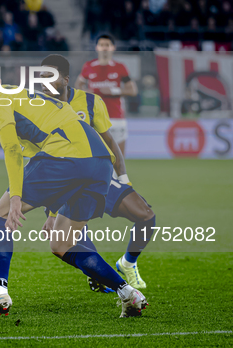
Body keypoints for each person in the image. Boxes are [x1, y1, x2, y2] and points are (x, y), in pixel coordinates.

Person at [0, 56, 147, 321]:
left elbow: (13, 150)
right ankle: (128, 294)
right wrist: (53, 209)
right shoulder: (22, 94)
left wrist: (16, 199)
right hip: (99, 161)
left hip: (66, 155)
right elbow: (40, 148)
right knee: (63, 243)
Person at [40, 55, 155, 291]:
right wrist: (51, 210)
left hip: (99, 175)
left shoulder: (91, 102)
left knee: (146, 216)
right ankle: (99, 275)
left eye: (50, 77)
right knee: (68, 242)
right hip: (64, 185)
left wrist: (124, 181)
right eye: (42, 78)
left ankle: (128, 263)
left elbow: (111, 144)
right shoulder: (37, 109)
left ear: (66, 79)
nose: (45, 83)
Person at [75, 34, 138, 156]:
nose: (104, 48)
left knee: (119, 159)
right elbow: (78, 85)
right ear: (96, 48)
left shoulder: (120, 67)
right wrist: (86, 92)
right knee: (96, 158)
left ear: (113, 47)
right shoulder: (88, 66)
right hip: (95, 119)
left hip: (116, 118)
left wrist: (114, 91)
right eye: (101, 45)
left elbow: (133, 90)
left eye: (107, 45)